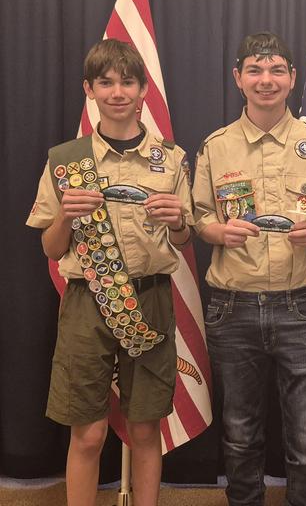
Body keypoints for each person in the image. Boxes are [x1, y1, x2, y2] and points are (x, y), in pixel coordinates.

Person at [26, 38, 193, 506]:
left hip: (151, 297)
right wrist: (65, 216)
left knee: (145, 428)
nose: (117, 92)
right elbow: (50, 247)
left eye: (127, 82)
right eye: (106, 82)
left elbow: (184, 240)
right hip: (88, 300)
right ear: (89, 89)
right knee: (88, 433)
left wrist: (178, 222)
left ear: (143, 90)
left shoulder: (171, 158)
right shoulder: (66, 160)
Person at [192, 32, 306, 506]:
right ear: (237, 78)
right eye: (255, 70)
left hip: (301, 306)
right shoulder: (216, 147)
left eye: (277, 70)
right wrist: (218, 232)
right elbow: (199, 216)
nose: (266, 80)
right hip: (233, 306)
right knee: (240, 432)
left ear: (292, 78)